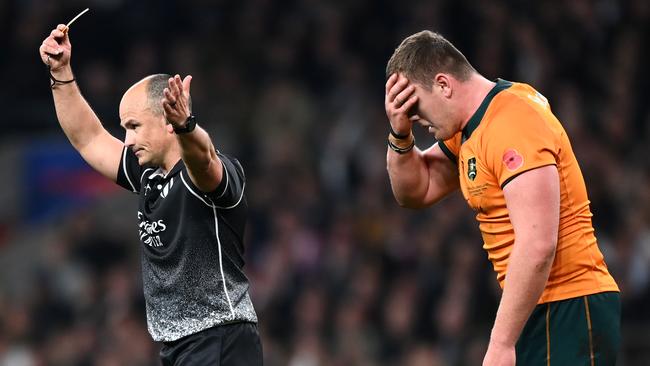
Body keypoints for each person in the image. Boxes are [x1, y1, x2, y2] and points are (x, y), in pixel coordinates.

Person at [384, 30, 620, 365]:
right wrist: (399, 133)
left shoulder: (512, 121)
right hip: (540, 307)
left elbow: (538, 244)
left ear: (444, 85)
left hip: (568, 305)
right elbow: (415, 191)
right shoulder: (472, 130)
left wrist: (501, 343)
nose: (417, 120)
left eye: (417, 108)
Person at [39, 24, 262, 365]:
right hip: (178, 347)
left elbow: (204, 159)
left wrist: (188, 126)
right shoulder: (148, 176)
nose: (127, 140)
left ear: (168, 121)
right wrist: (61, 74)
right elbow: (89, 139)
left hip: (220, 337)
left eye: (133, 126)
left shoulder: (204, 175)